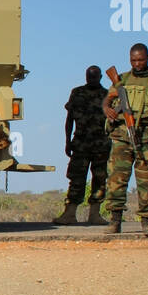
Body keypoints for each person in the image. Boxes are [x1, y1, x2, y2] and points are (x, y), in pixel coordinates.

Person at [103, 44, 148, 238]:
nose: (137, 63)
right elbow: (107, 99)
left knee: (146, 180)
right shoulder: (122, 79)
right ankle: (115, 220)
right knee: (116, 179)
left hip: (147, 136)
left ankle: (146, 220)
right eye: (133, 60)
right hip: (121, 136)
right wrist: (107, 109)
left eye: (140, 60)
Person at [54, 65, 111, 225]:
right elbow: (69, 118)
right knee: (76, 178)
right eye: (89, 77)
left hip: (101, 144)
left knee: (100, 179)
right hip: (80, 143)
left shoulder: (107, 95)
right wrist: (67, 140)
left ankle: (95, 214)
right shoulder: (77, 92)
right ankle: (69, 214)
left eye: (94, 77)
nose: (91, 79)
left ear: (100, 77)